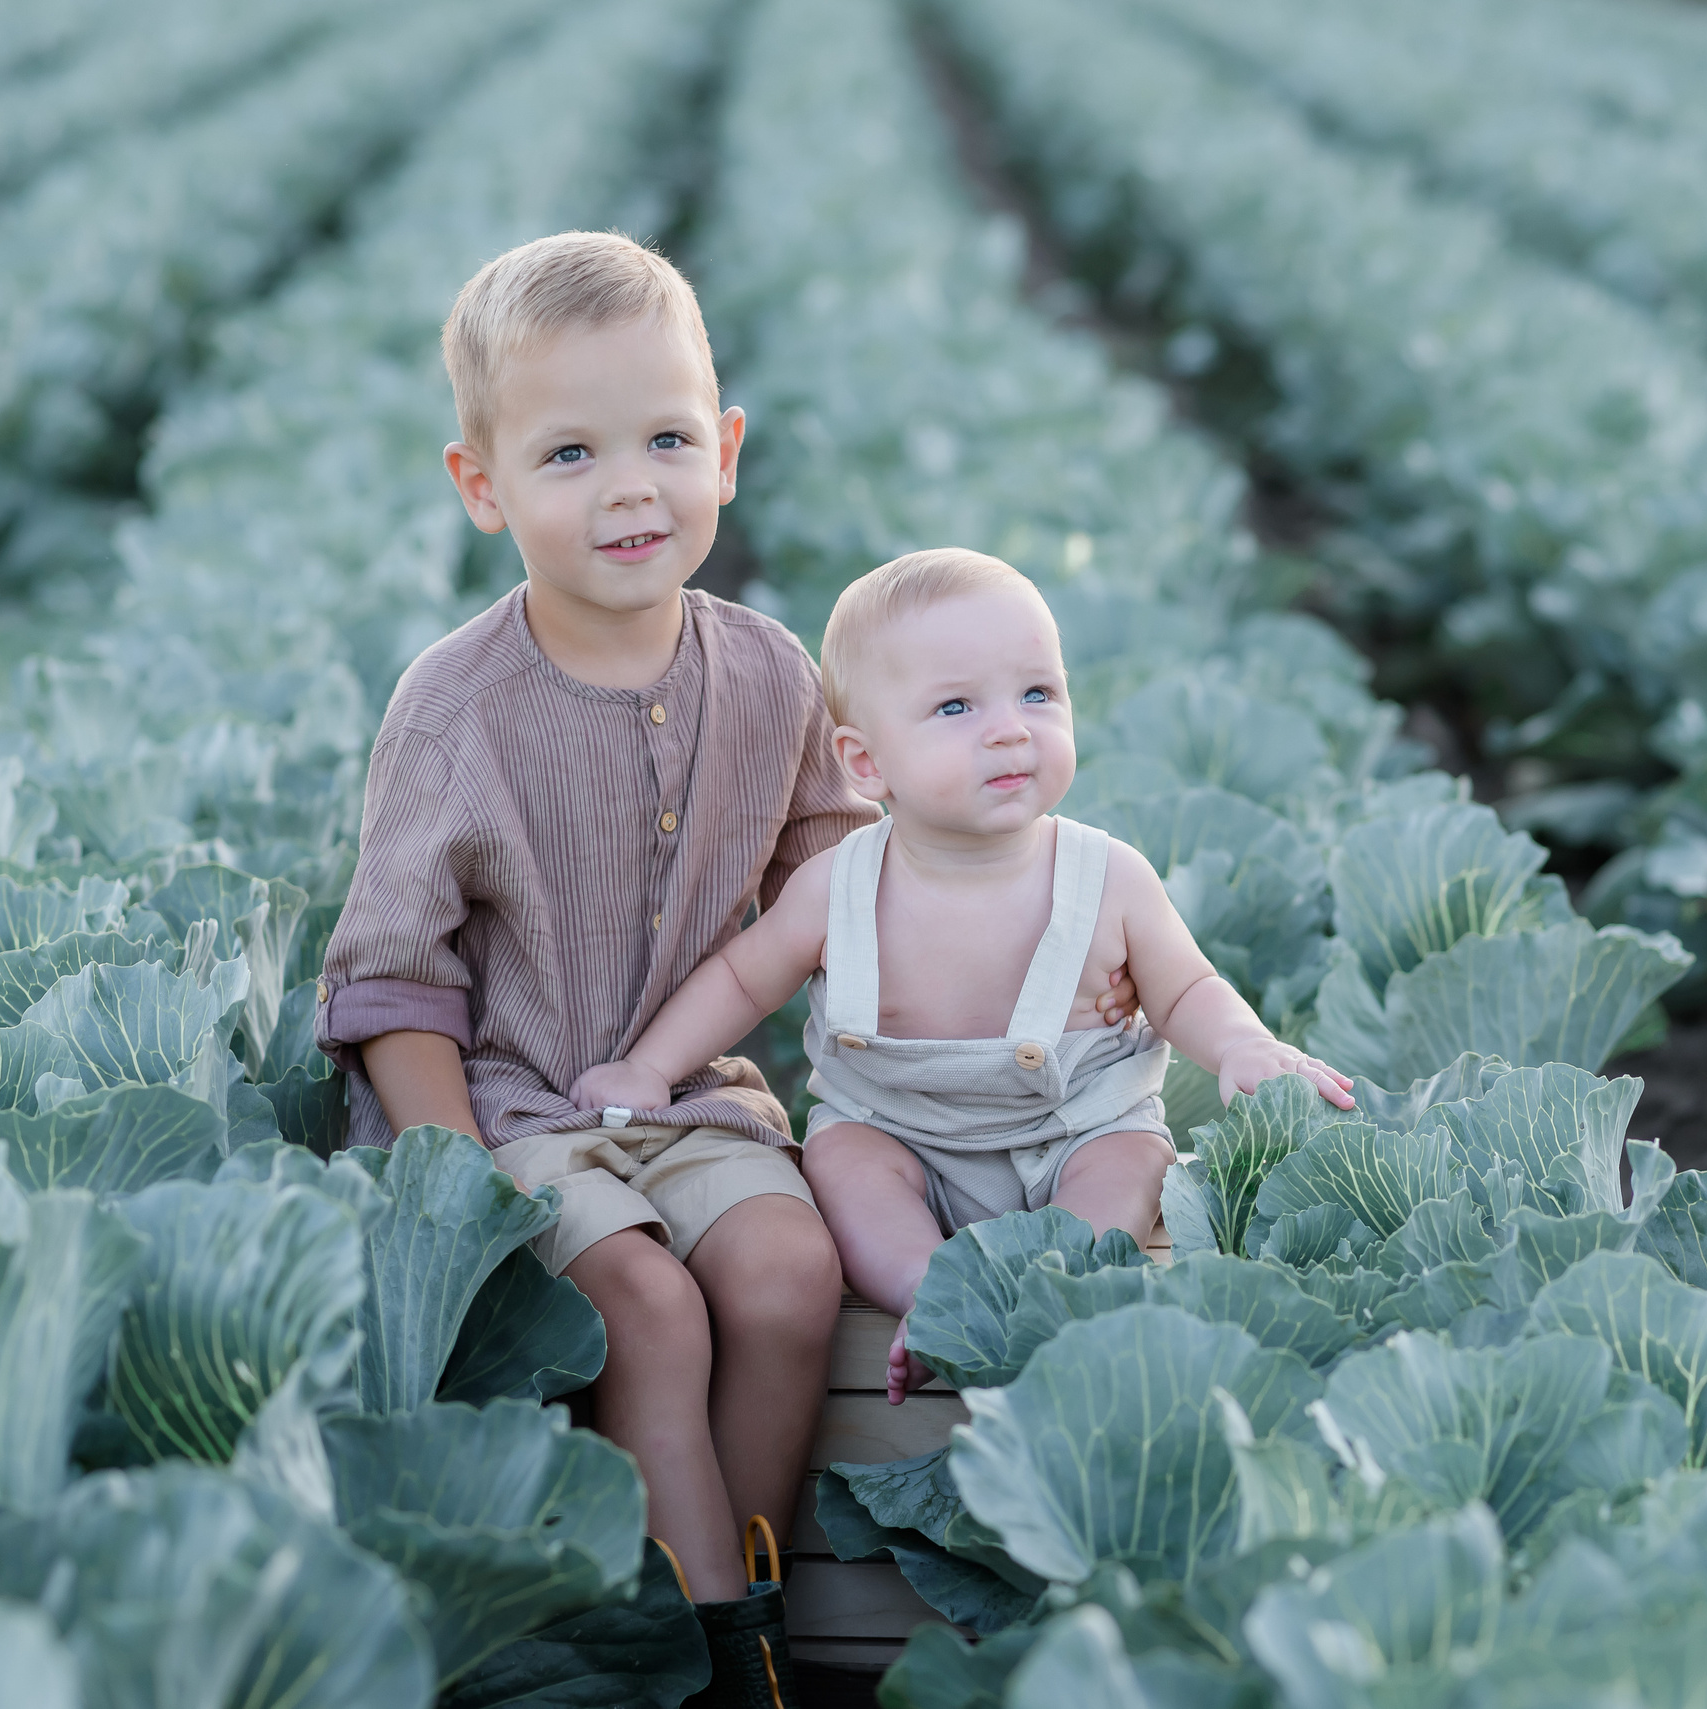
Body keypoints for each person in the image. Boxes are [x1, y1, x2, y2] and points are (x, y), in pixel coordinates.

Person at [314, 236, 1141, 1694]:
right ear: (482, 487)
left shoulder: (765, 673)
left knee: (780, 1274)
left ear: (729, 452)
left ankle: (734, 1589)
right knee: (640, 1303)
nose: (633, 487)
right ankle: (715, 1653)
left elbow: (854, 901)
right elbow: (395, 976)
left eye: (667, 440)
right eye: (570, 453)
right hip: (508, 1112)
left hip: (696, 1101)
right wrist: (447, 1178)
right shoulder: (453, 707)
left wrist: (1035, 985)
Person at [572, 548, 1358, 1406]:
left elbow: (1185, 988)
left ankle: (1061, 1284)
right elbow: (739, 980)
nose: (1011, 728)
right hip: (903, 1133)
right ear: (865, 763)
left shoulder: (1109, 877)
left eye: (1038, 693)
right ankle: (929, 1290)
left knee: (1131, 1159)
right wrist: (649, 1067)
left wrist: (1242, 1043)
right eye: (955, 706)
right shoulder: (838, 886)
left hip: (1074, 1130)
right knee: (844, 1161)